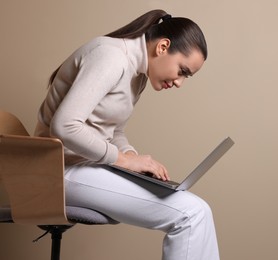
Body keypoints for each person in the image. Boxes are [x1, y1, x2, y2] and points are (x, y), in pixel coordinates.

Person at [35, 9, 219, 260]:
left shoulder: (137, 73)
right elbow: (64, 126)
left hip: (85, 167)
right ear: (163, 47)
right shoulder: (110, 57)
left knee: (197, 210)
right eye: (182, 71)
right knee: (192, 213)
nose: (179, 83)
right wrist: (124, 161)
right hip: (58, 172)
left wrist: (134, 159)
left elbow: (113, 129)